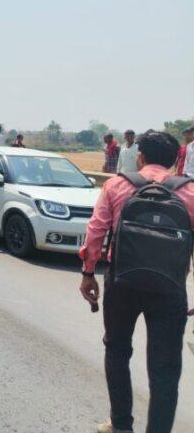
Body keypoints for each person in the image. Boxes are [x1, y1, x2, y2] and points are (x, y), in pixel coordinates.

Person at [78, 131, 194, 433]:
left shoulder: (117, 185)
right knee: (165, 369)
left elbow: (96, 232)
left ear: (140, 156)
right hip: (170, 290)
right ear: (174, 161)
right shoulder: (190, 193)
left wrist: (88, 273)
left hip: (122, 284)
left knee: (117, 351)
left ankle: (120, 425)